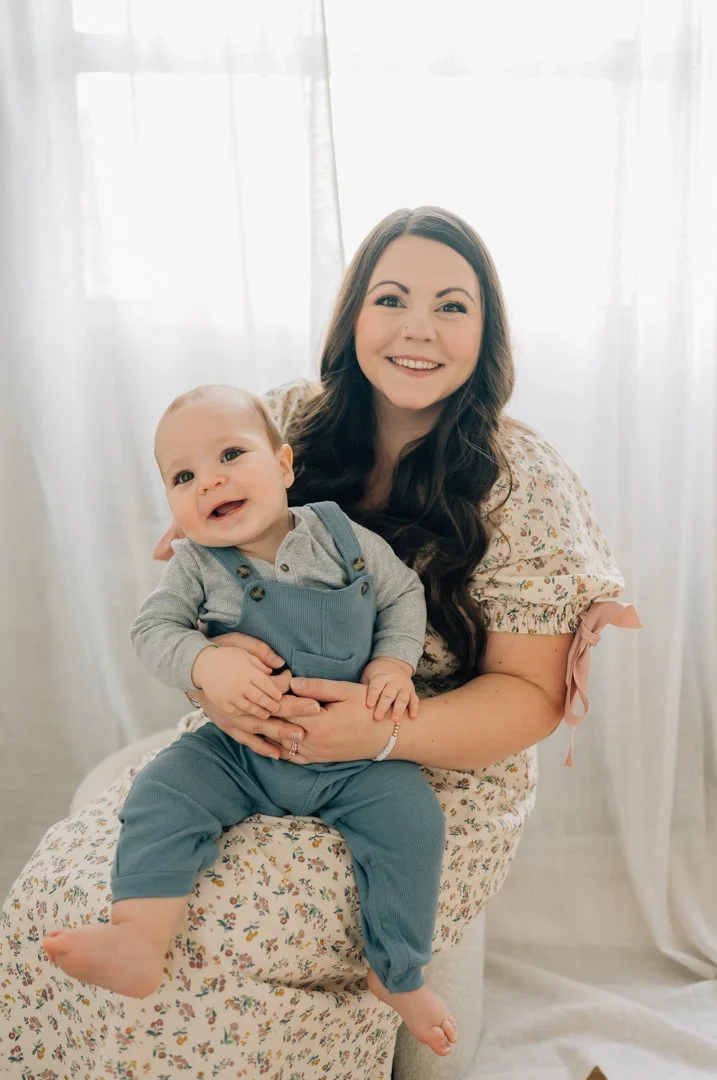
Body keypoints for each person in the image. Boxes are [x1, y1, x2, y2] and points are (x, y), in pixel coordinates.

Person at [1, 206, 632, 1080]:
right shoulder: (291, 417)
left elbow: (531, 697)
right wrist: (212, 673)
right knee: (61, 896)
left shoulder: (521, 481)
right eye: (391, 298)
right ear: (353, 317)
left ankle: (366, 997)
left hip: (428, 760)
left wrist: (377, 729)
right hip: (255, 737)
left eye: (452, 306)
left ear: (487, 334)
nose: (417, 328)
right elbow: (196, 566)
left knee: (221, 932)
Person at [43, 383, 458, 1056]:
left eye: (230, 455)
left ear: (286, 467)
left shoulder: (344, 538)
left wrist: (391, 666)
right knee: (163, 790)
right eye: (183, 476)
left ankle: (399, 971)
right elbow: (153, 630)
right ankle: (140, 939)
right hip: (239, 754)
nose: (209, 481)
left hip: (352, 760)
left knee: (413, 820)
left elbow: (402, 595)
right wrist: (205, 663)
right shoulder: (196, 564)